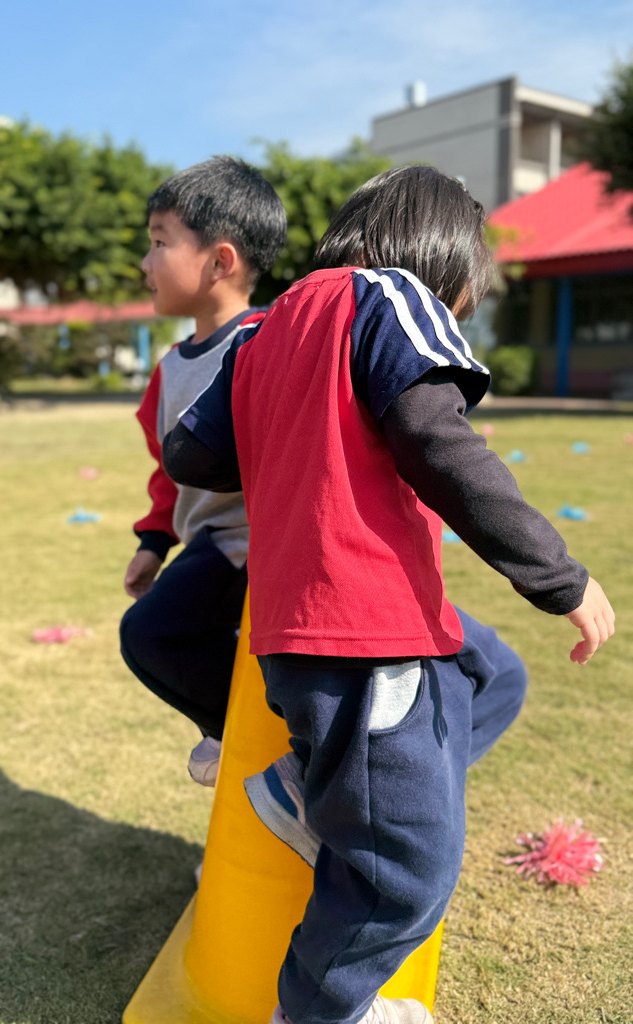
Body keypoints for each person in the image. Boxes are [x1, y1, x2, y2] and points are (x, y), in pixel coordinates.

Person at [162, 166, 615, 1024]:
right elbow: (438, 438)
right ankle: (322, 1009)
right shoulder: (392, 294)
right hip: (368, 636)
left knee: (496, 675)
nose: (455, 316)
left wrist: (292, 430)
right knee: (405, 872)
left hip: (306, 630)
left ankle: (313, 790)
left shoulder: (268, 327)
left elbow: (191, 453)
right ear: (438, 255)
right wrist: (560, 576)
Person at [120, 156, 287, 786]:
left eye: (159, 242)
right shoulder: (169, 369)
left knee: (152, 633)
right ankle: (249, 733)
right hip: (208, 545)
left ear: (220, 261)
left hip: (258, 549)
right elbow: (167, 472)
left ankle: (257, 734)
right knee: (156, 635)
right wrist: (153, 541)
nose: (145, 263)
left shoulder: (274, 340)